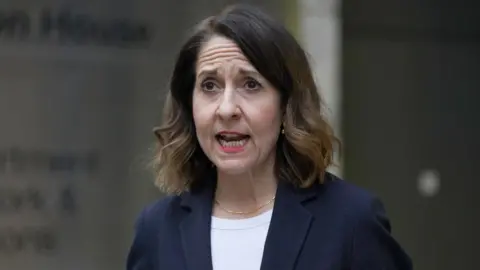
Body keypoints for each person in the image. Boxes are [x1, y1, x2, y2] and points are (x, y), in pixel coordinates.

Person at [126, 4, 413, 270]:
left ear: (287, 105)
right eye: (210, 85)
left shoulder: (351, 221)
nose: (226, 109)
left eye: (250, 84)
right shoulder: (157, 229)